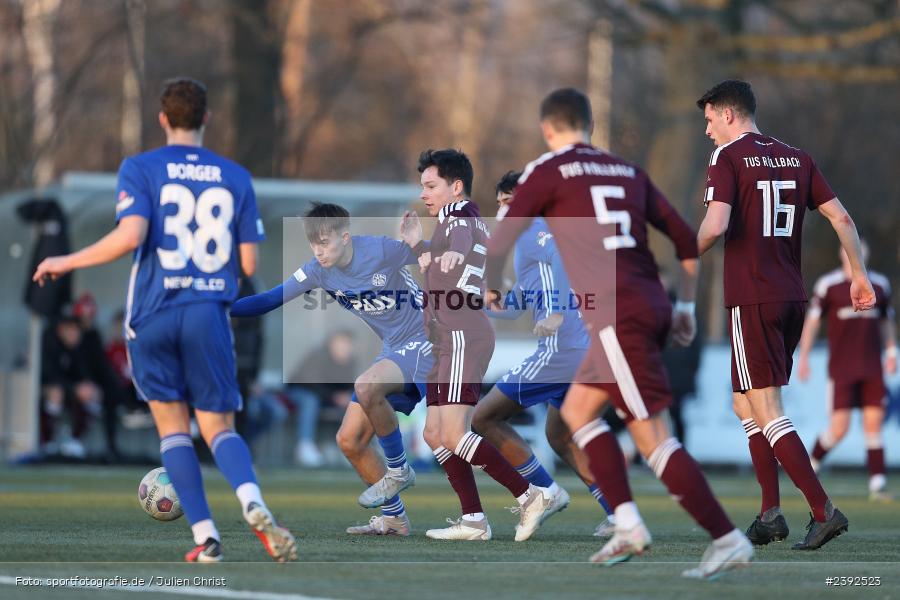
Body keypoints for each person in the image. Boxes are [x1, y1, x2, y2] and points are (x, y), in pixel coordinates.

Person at [485, 88, 751, 578]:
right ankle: (625, 521)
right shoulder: (628, 171)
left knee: (654, 441)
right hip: (645, 305)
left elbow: (502, 238)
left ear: (548, 130)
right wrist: (686, 307)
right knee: (577, 415)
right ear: (589, 125)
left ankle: (727, 538)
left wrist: (493, 285)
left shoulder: (548, 171)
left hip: (615, 315)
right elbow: (686, 242)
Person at [32, 78, 296, 563]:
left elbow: (130, 235)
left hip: (152, 314)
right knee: (219, 426)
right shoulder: (234, 176)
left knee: (172, 429)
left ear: (162, 118)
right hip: (207, 314)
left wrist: (66, 261)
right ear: (207, 119)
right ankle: (253, 503)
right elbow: (250, 266)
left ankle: (205, 538)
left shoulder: (141, 168)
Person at [695, 79, 875, 551]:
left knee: (768, 410)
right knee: (745, 403)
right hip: (791, 297)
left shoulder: (728, 157)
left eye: (710, 120)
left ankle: (823, 510)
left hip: (752, 297)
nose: (708, 131)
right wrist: (859, 274)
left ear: (729, 115)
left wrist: (680, 253)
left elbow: (714, 225)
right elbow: (843, 219)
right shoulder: (798, 157)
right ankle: (770, 513)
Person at [231, 202, 432, 536]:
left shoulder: (381, 250)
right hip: (394, 348)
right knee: (350, 441)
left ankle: (399, 470)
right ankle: (394, 518)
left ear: (346, 236)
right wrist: (217, 309)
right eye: (314, 244)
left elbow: (437, 261)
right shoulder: (317, 270)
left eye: (324, 242)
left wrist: (421, 245)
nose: (318, 251)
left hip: (427, 338)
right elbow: (269, 299)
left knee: (368, 386)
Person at [399, 149, 552, 542]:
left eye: (431, 186)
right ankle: (473, 520)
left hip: (463, 334)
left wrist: (451, 250)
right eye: (422, 187)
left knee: (452, 433)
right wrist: (420, 248)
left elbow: (461, 241)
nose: (425, 194)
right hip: (448, 337)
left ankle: (531, 494)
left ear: (456, 186)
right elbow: (443, 269)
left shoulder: (459, 216)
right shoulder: (454, 222)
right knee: (435, 434)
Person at [472, 170, 617, 537]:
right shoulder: (526, 241)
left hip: (562, 348)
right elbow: (518, 304)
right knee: (560, 436)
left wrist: (557, 313)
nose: (503, 211)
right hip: (577, 350)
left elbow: (565, 261)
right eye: (500, 203)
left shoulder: (541, 228)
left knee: (483, 418)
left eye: (510, 202)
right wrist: (479, 304)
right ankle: (618, 513)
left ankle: (546, 492)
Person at [797, 242, 896, 500]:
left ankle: (877, 484)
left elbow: (886, 321)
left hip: (872, 367)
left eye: (860, 250)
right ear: (842, 254)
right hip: (841, 369)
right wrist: (804, 356)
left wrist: (891, 351)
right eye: (850, 249)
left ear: (866, 254)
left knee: (873, 424)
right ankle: (811, 466)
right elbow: (812, 322)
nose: (855, 254)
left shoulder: (880, 285)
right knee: (839, 428)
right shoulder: (828, 285)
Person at [287, 329, 359, 467]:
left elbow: (350, 384)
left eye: (348, 344)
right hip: (300, 391)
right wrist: (334, 397)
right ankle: (304, 446)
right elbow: (311, 383)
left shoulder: (350, 361)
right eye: (342, 344)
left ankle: (349, 448)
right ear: (332, 343)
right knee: (310, 401)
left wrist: (347, 395)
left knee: (355, 403)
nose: (346, 348)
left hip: (326, 397)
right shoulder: (319, 356)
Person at [40, 310, 101, 458]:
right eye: (72, 330)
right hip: (45, 388)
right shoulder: (50, 344)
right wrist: (74, 388)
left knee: (93, 393)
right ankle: (47, 442)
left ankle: (75, 440)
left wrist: (85, 386)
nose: (76, 334)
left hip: (69, 390)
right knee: (56, 394)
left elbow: (82, 373)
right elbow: (49, 375)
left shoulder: (77, 349)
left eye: (77, 330)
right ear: (62, 330)